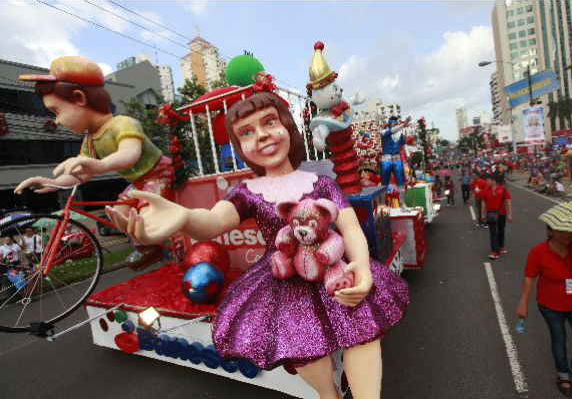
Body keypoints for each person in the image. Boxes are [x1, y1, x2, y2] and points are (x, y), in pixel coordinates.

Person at [106, 92, 409, 398]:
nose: (262, 135)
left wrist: (362, 267)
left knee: (363, 334)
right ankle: (327, 395)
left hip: (333, 269)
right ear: (240, 147)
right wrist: (183, 217)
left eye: (269, 122)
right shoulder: (247, 191)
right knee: (303, 346)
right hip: (284, 280)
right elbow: (212, 221)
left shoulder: (321, 184)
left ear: (287, 125)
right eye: (247, 132)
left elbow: (349, 226)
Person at [14, 56, 174, 271]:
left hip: (160, 173)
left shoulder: (122, 123)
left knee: (148, 210)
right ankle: (152, 248)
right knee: (119, 213)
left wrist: (98, 165)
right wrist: (51, 183)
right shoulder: (90, 139)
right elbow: (81, 175)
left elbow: (130, 154)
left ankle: (162, 244)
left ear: (79, 98)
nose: (58, 121)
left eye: (57, 112)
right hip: (138, 181)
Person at [516, 226, 572, 397]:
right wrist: (523, 302)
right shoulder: (538, 252)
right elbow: (529, 278)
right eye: (562, 231)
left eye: (570, 231)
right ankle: (563, 374)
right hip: (550, 306)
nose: (568, 235)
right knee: (559, 340)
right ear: (550, 231)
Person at [481, 174, 512, 259]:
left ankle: (501, 245)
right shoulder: (485, 190)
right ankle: (494, 251)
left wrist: (509, 215)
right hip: (490, 214)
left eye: (488, 180)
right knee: (493, 233)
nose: (486, 182)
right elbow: (483, 202)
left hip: (502, 214)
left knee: (501, 230)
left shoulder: (502, 190)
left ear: (493, 181)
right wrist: (482, 214)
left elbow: (508, 201)